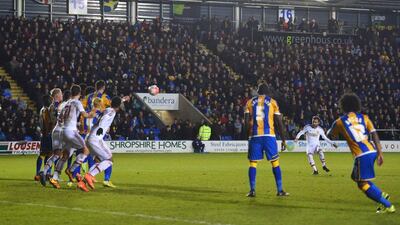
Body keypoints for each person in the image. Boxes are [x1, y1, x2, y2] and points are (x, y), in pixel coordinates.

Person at [327, 93, 395, 213]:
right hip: (371, 151)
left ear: (343, 106)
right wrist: (380, 153)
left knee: (361, 184)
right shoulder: (365, 118)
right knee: (356, 177)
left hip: (361, 155)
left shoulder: (339, 121)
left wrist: (329, 131)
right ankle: (382, 195)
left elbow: (331, 135)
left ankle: (387, 204)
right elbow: (374, 135)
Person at [244, 83, 289, 197]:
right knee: (275, 163)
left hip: (255, 136)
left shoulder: (249, 102)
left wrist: (248, 137)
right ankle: (279, 190)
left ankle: (252, 190)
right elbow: (279, 122)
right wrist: (283, 139)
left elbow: (246, 122)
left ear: (258, 92)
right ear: (267, 92)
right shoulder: (273, 102)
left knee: (253, 163)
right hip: (269, 136)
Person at [49, 85, 96, 189]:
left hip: (63, 132)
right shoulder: (77, 102)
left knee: (65, 155)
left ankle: (55, 177)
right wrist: (93, 112)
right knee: (86, 150)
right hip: (71, 132)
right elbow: (85, 115)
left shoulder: (66, 103)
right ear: (79, 93)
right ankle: (71, 169)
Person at [79, 96, 128, 192]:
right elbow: (104, 119)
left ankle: (82, 183)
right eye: (121, 104)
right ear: (118, 106)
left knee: (98, 160)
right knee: (109, 160)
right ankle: (89, 175)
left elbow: (114, 104)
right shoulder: (111, 112)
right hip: (96, 139)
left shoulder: (107, 109)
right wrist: (101, 128)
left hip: (89, 138)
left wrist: (123, 99)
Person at [84, 80, 116, 188]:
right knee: (108, 158)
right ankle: (104, 179)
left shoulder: (88, 98)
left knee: (95, 158)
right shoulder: (105, 98)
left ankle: (84, 180)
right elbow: (110, 108)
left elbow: (87, 115)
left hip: (89, 135)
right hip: (96, 136)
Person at [39, 88, 65, 186]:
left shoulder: (50, 107)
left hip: (52, 133)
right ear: (57, 96)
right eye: (61, 94)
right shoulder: (58, 106)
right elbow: (55, 121)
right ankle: (54, 176)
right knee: (59, 154)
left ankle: (45, 172)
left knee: (53, 154)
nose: (62, 95)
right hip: (57, 132)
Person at [34, 95, 53, 181]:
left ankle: (41, 173)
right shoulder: (46, 110)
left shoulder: (42, 109)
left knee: (45, 154)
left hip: (44, 134)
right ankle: (45, 173)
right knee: (49, 154)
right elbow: (47, 122)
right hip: (47, 134)